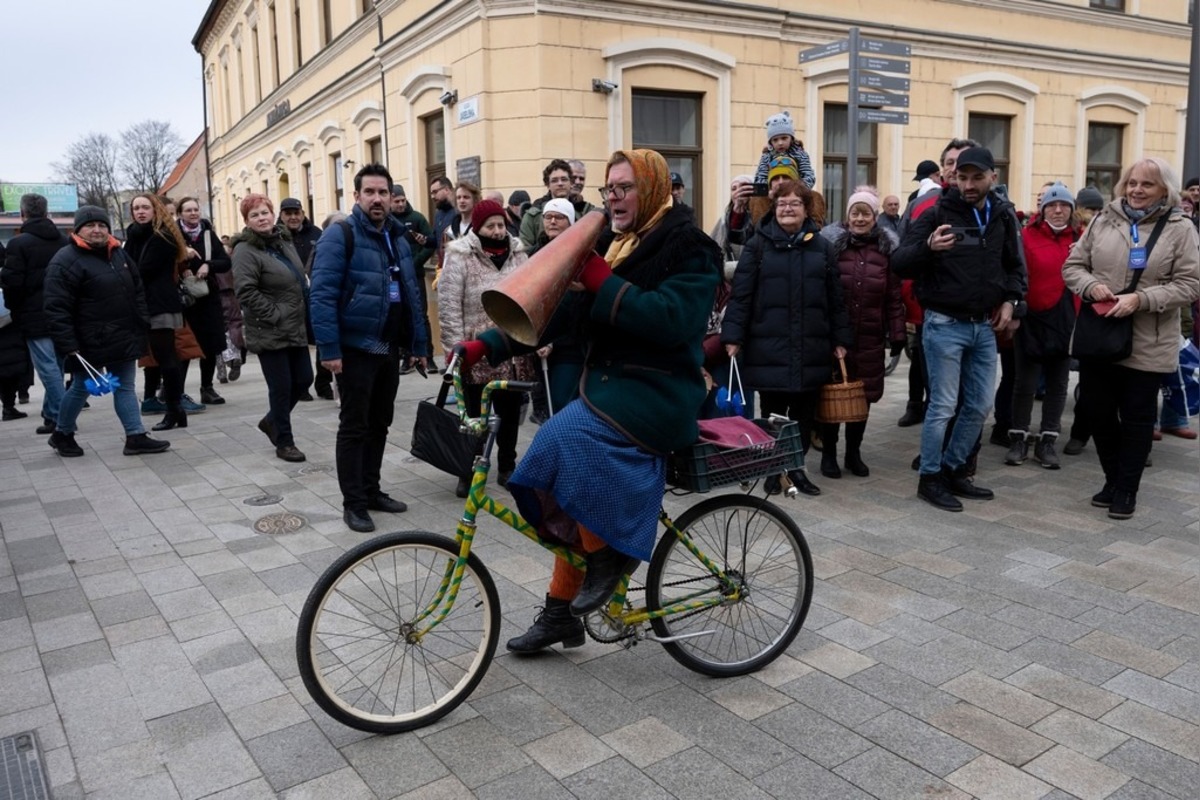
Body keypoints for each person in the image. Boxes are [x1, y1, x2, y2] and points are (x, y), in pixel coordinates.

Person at [463, 148, 721, 652]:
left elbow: (673, 321)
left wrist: (604, 280)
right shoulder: (613, 242)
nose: (615, 198)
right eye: (609, 189)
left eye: (625, 188)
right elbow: (560, 316)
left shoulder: (690, 247)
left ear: (652, 189)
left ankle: (612, 555)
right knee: (549, 467)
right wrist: (486, 346)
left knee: (565, 437)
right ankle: (562, 612)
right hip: (612, 388)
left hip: (661, 393)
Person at [1061, 157, 1200, 519]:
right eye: (1132, 182)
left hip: (1149, 339)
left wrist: (1141, 299)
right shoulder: (1103, 219)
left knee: (1138, 419)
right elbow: (1073, 267)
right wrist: (1092, 287)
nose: (1137, 190)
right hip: (1101, 335)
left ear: (1164, 190)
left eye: (1147, 184)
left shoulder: (1180, 227)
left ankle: (1126, 489)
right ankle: (1112, 479)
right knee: (1097, 412)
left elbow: (1190, 285)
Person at [892, 146, 1026, 512]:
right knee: (942, 407)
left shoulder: (1001, 216)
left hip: (983, 327)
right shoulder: (936, 212)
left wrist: (1012, 301)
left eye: (976, 177)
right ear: (951, 177)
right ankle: (929, 478)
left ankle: (953, 469)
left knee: (980, 404)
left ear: (992, 178)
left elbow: (1015, 267)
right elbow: (900, 261)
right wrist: (929, 247)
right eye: (961, 176)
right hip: (943, 325)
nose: (967, 184)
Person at [310, 163, 429, 533]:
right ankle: (354, 503)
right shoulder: (339, 235)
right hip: (355, 348)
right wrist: (329, 349)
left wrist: (418, 343)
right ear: (357, 197)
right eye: (370, 192)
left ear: (392, 198)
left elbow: (410, 293)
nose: (377, 199)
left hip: (388, 348)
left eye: (383, 193)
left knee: (380, 422)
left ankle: (372, 490)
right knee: (354, 426)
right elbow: (322, 294)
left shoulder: (398, 236)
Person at [722, 178, 852, 497]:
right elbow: (741, 295)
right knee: (773, 415)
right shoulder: (758, 245)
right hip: (769, 346)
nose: (787, 209)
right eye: (781, 203)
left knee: (805, 417)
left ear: (806, 209)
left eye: (795, 203)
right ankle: (773, 470)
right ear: (773, 208)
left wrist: (840, 338)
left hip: (812, 345)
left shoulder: (822, 247)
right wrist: (733, 335)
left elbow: (835, 298)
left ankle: (796, 470)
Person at [42, 206, 171, 457]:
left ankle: (135, 436)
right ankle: (62, 433)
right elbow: (56, 308)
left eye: (102, 225)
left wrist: (141, 320)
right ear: (78, 230)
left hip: (123, 335)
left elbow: (137, 289)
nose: (97, 230)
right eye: (90, 225)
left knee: (124, 386)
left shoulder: (118, 255)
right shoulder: (64, 260)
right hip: (87, 342)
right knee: (81, 387)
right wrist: (68, 344)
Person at [438, 199, 534, 495]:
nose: (496, 231)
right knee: (474, 419)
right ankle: (467, 469)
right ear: (477, 228)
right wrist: (456, 349)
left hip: (512, 350)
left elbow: (531, 295)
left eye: (501, 224)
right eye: (490, 225)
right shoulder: (459, 255)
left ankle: (507, 466)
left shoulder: (519, 254)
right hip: (475, 351)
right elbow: (449, 305)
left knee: (508, 415)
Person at [818, 188, 905, 478]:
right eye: (854, 212)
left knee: (864, 397)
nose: (859, 218)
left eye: (865, 213)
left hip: (870, 336)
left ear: (875, 217)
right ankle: (828, 454)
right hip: (836, 337)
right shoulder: (832, 247)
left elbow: (893, 296)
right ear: (847, 216)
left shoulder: (885, 251)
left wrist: (897, 335)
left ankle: (853, 453)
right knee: (832, 394)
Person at [230, 194, 313, 462]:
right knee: (281, 387)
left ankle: (271, 421)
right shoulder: (245, 250)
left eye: (264, 212)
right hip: (269, 328)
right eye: (254, 215)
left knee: (303, 380)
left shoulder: (282, 240)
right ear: (247, 221)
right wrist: (274, 315)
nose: (261, 218)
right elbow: (245, 292)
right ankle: (284, 442)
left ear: (272, 214)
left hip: (294, 325)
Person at [1006, 183, 1079, 469]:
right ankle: (1019, 438)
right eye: (1052, 205)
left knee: (1058, 385)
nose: (1058, 210)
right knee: (1024, 383)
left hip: (1066, 320)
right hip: (1032, 319)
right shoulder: (1026, 237)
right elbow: (1016, 273)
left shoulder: (1082, 239)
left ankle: (1048, 440)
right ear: (1043, 208)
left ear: (1071, 210)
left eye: (1063, 205)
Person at [2, 193, 68, 434]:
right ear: (46, 212)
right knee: (57, 365)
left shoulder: (18, 244)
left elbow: (12, 282)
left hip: (33, 313)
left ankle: (63, 416)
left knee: (48, 367)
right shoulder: (63, 241)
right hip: (62, 310)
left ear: (23, 213)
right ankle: (51, 415)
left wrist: (14, 308)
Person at [124, 192, 191, 431]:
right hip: (143, 303)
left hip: (160, 303)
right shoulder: (133, 235)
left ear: (155, 210)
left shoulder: (163, 236)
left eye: (145, 207)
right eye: (136, 208)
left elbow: (142, 270)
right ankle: (175, 410)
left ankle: (174, 409)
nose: (140, 212)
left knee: (166, 358)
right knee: (162, 358)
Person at [176, 196, 232, 407]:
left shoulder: (208, 235)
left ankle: (207, 388)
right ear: (180, 213)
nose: (193, 213)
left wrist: (208, 265)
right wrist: (183, 263)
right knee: (184, 346)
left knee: (210, 344)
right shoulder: (174, 235)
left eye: (196, 210)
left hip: (207, 296)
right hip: (183, 298)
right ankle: (176, 392)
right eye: (188, 210)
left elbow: (225, 262)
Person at [391, 185, 437, 375]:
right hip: (395, 277)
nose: (400, 204)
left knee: (421, 315)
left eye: (403, 200)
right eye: (397, 201)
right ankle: (406, 358)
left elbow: (431, 242)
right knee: (399, 315)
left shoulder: (417, 218)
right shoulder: (388, 220)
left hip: (416, 275)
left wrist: (416, 262)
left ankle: (429, 356)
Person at [518, 159, 576, 250]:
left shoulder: (584, 212)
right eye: (554, 180)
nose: (560, 183)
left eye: (564, 179)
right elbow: (525, 251)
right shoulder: (532, 216)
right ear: (548, 185)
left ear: (571, 183)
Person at [753, 111, 816, 189]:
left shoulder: (800, 154)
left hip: (795, 193)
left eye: (784, 138)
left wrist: (798, 191)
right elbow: (759, 178)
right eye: (775, 140)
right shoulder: (767, 156)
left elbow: (808, 176)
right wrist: (769, 191)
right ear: (770, 142)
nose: (780, 143)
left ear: (791, 138)